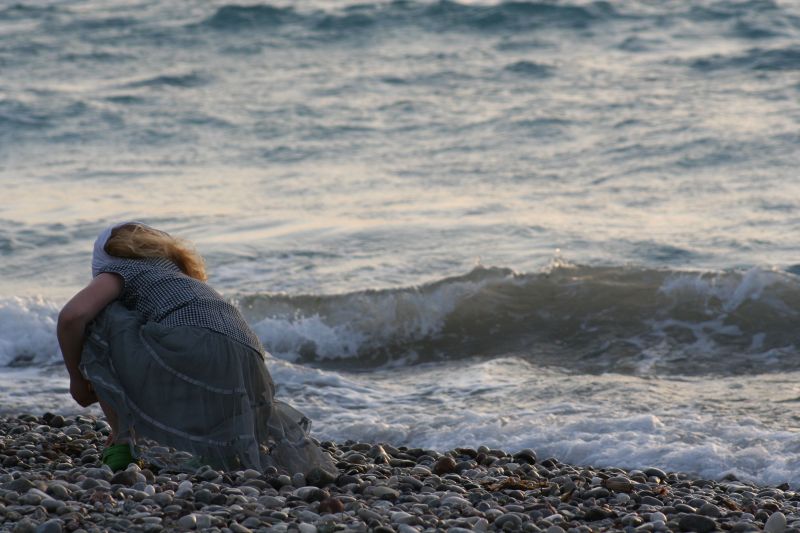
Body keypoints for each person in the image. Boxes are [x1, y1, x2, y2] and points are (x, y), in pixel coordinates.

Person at [57, 221, 336, 476]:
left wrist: (77, 380)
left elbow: (72, 317)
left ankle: (121, 443)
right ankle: (215, 454)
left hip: (194, 344)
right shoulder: (178, 276)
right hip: (250, 358)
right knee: (191, 363)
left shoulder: (119, 269)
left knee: (99, 317)